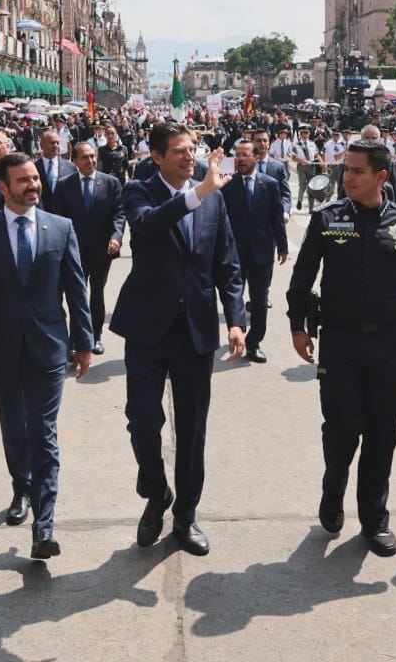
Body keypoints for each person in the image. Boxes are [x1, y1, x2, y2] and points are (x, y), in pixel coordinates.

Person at [285, 138, 396, 556]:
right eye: (346, 169)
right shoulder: (328, 219)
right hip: (339, 344)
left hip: (388, 346)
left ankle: (374, 518)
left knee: (383, 432)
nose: (348, 177)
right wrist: (298, 327)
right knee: (341, 429)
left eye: (358, 171)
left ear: (381, 176)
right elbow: (302, 278)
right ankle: (333, 487)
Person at [110, 123, 246, 555]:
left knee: (192, 428)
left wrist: (237, 321)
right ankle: (156, 492)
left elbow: (227, 262)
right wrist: (198, 193)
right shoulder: (139, 191)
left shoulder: (213, 197)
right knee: (143, 420)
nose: (190, 157)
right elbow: (147, 227)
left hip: (195, 329)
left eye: (193, 149)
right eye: (179, 151)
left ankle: (185, 515)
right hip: (148, 326)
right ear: (156, 156)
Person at [0, 152, 94, 560]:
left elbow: (76, 290)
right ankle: (21, 487)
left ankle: (44, 527)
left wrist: (83, 342)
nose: (33, 185)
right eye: (23, 181)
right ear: (3, 187)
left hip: (49, 347)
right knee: (15, 427)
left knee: (44, 433)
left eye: (35, 179)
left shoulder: (60, 228)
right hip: (0, 347)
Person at [53, 140, 125, 356]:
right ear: (74, 161)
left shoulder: (111, 183)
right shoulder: (64, 185)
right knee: (76, 294)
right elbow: (58, 218)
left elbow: (119, 214)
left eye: (93, 156)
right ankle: (76, 337)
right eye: (84, 157)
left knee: (97, 293)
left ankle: (95, 336)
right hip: (74, 251)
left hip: (103, 250)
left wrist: (116, 237)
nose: (90, 161)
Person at [220, 139, 288, 364]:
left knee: (259, 301)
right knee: (234, 298)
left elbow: (276, 217)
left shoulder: (269, 184)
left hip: (262, 252)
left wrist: (283, 246)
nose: (240, 159)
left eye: (245, 155)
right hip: (234, 253)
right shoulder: (227, 184)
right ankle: (236, 336)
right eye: (237, 155)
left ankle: (254, 342)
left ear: (256, 158)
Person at [34, 129, 75, 214]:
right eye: (52, 143)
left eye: (57, 143)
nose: (56, 146)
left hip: (65, 216)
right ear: (42, 145)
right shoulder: (33, 168)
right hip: (42, 215)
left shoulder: (70, 167)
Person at [292, 128, 320, 212]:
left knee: (311, 187)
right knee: (302, 185)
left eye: (307, 133)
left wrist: (321, 161)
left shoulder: (312, 144)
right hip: (302, 166)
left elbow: (316, 155)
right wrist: (302, 161)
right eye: (303, 133)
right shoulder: (296, 145)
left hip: (311, 166)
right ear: (300, 135)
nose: (305, 135)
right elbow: (293, 158)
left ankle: (311, 208)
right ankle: (300, 200)